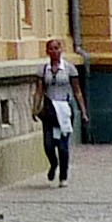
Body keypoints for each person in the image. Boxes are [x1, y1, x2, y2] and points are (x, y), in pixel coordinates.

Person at [38, 38, 80, 183]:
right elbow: (39, 91)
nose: (54, 51)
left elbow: (77, 91)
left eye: (57, 48)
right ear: (47, 51)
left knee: (63, 146)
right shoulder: (43, 69)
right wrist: (35, 108)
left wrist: (84, 111)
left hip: (65, 110)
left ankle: (63, 175)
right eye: (51, 49)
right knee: (48, 145)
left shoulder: (69, 69)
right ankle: (53, 164)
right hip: (49, 111)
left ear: (61, 50)